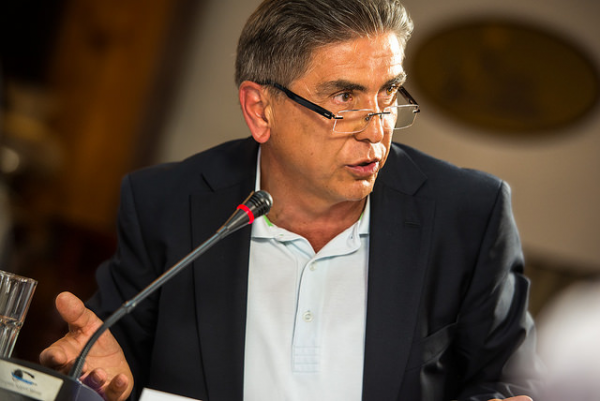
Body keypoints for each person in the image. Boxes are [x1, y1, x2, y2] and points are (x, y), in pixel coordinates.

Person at [40, 0, 542, 400]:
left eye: (388, 93)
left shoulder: (468, 213)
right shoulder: (164, 203)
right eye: (344, 98)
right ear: (260, 110)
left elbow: (508, 379)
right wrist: (103, 383)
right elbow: (116, 357)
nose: (376, 131)